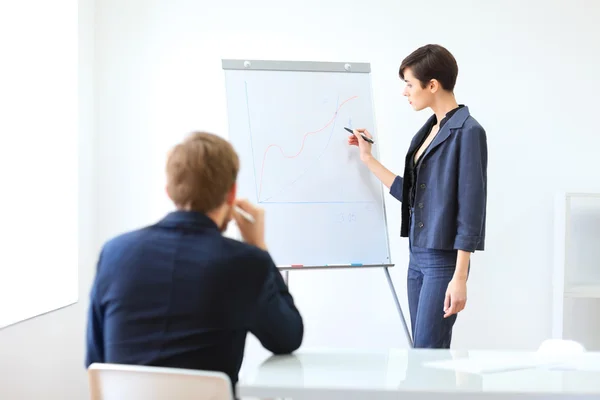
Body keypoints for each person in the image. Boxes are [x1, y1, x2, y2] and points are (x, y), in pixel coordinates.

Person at [85, 131, 304, 393]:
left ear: (169, 191)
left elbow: (95, 361)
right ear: (231, 193)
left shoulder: (114, 253)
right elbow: (288, 338)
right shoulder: (246, 262)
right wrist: (259, 247)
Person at [348, 44, 487, 348]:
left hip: (442, 260)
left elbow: (471, 210)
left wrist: (460, 277)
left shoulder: (468, 132)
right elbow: (411, 195)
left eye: (409, 84)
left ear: (432, 85)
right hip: (417, 257)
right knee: (423, 355)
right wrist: (368, 158)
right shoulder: (427, 132)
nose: (405, 92)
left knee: (428, 351)